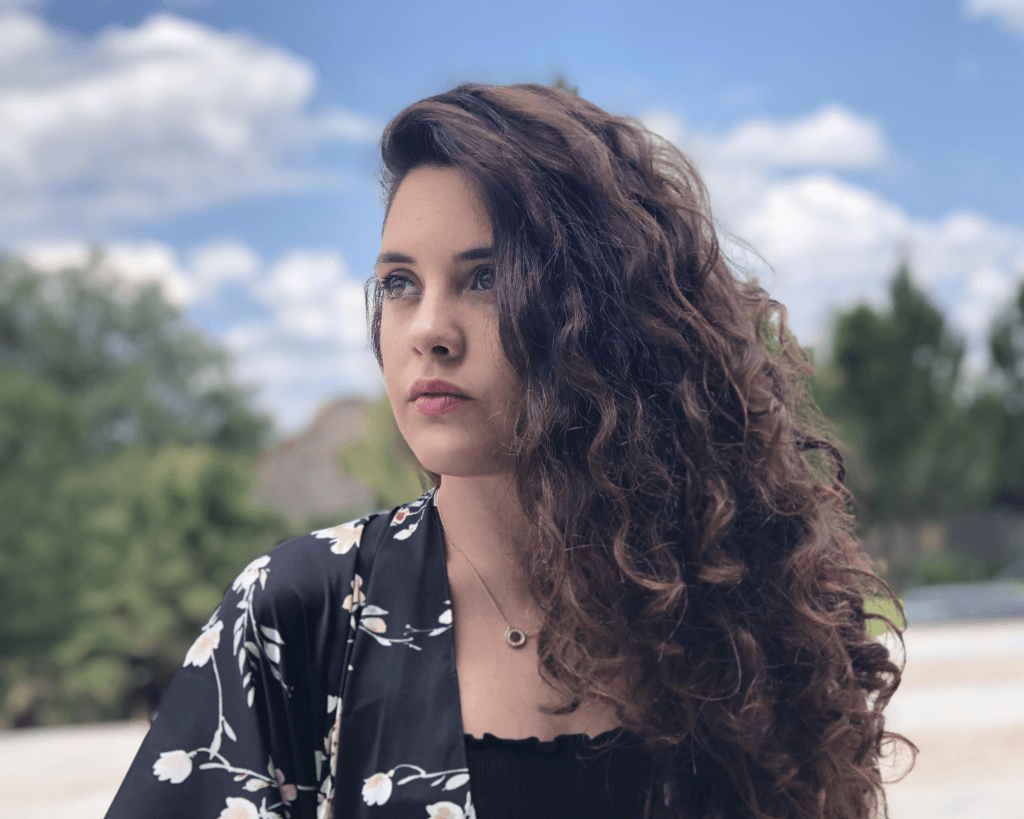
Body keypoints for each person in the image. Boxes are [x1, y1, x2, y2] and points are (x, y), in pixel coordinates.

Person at [105, 82, 912, 819]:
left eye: (485, 278)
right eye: (400, 283)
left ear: (601, 309)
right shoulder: (305, 613)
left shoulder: (733, 602)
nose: (429, 330)